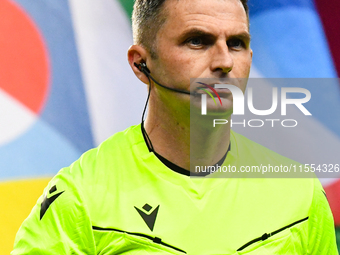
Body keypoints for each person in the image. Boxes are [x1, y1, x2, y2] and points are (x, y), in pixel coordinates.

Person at [12, 0, 338, 254]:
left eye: (237, 43)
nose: (224, 61)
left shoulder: (299, 191)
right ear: (141, 63)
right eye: (197, 41)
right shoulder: (80, 197)